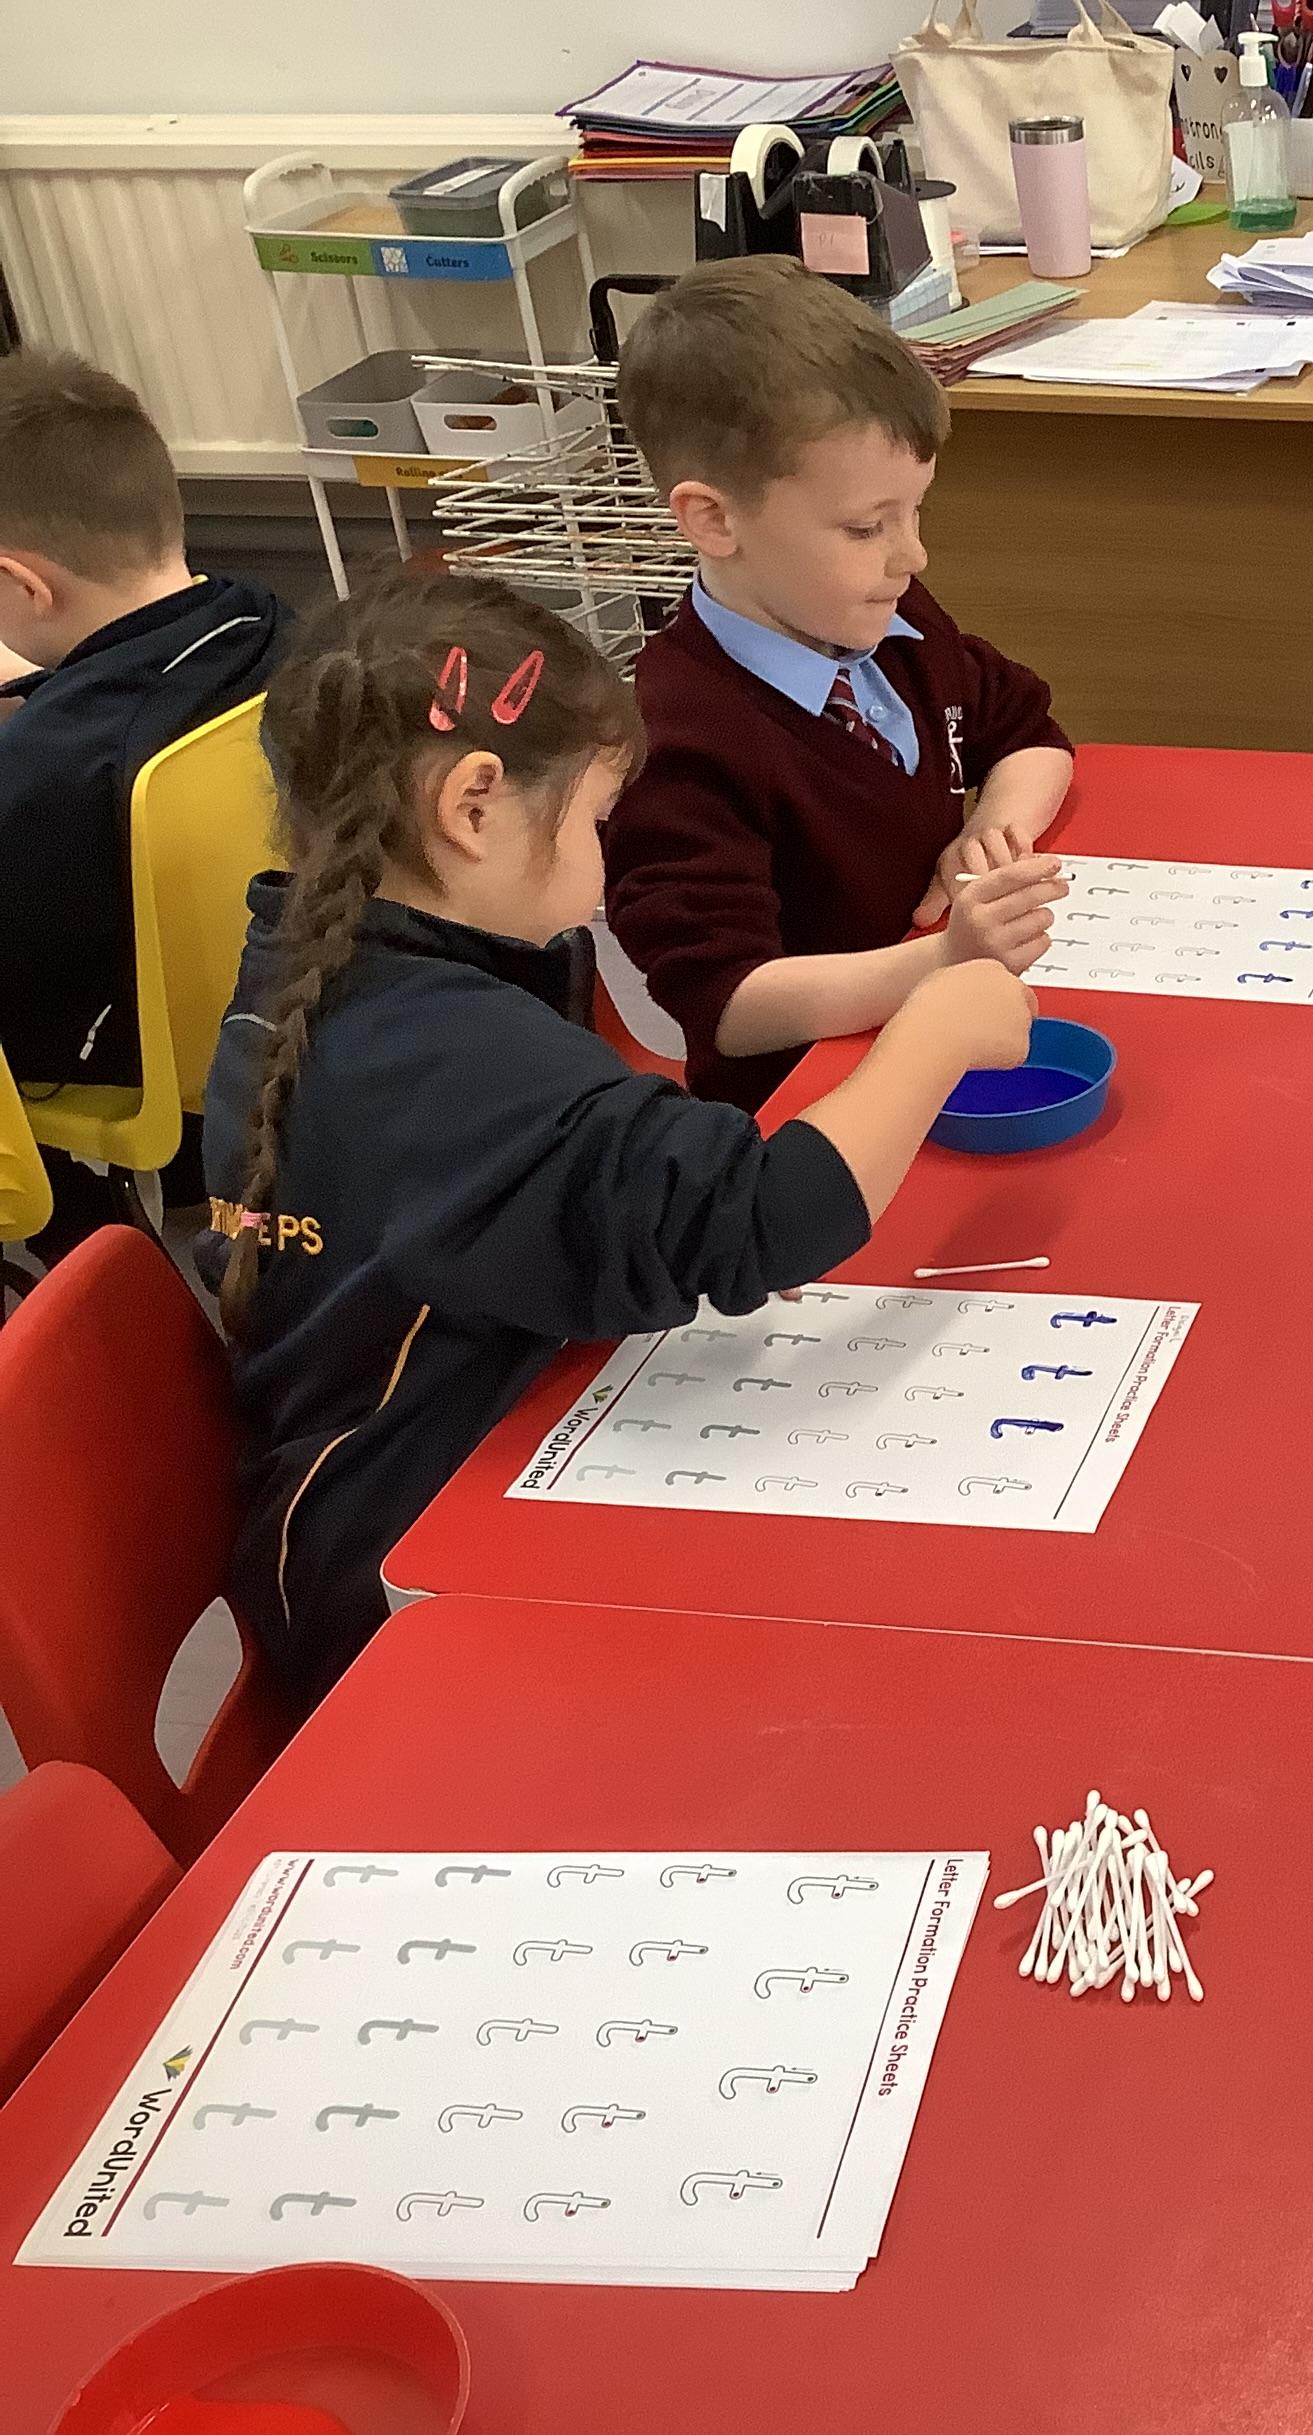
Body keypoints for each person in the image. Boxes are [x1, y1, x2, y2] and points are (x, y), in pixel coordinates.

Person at [205, 571, 1033, 1701]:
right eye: (598, 822)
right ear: (473, 807)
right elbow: (763, 1218)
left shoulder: (323, 964)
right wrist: (937, 1031)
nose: (606, 868)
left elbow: (538, 1185)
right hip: (405, 1592)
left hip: (420, 1467)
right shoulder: (448, 1056)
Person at [601, 256, 1071, 1111]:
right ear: (714, 519)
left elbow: (1029, 732)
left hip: (940, 1052)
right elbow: (729, 1004)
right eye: (865, 528)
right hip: (806, 1114)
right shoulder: (676, 736)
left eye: (914, 510)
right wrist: (941, 960)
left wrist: (992, 833)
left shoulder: (889, 619)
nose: (911, 555)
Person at [0, 350, 289, 1249]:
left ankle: (77, 1246)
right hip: (264, 1000)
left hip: (127, 1053)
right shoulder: (275, 626)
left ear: (22, 584)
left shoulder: (50, 765)